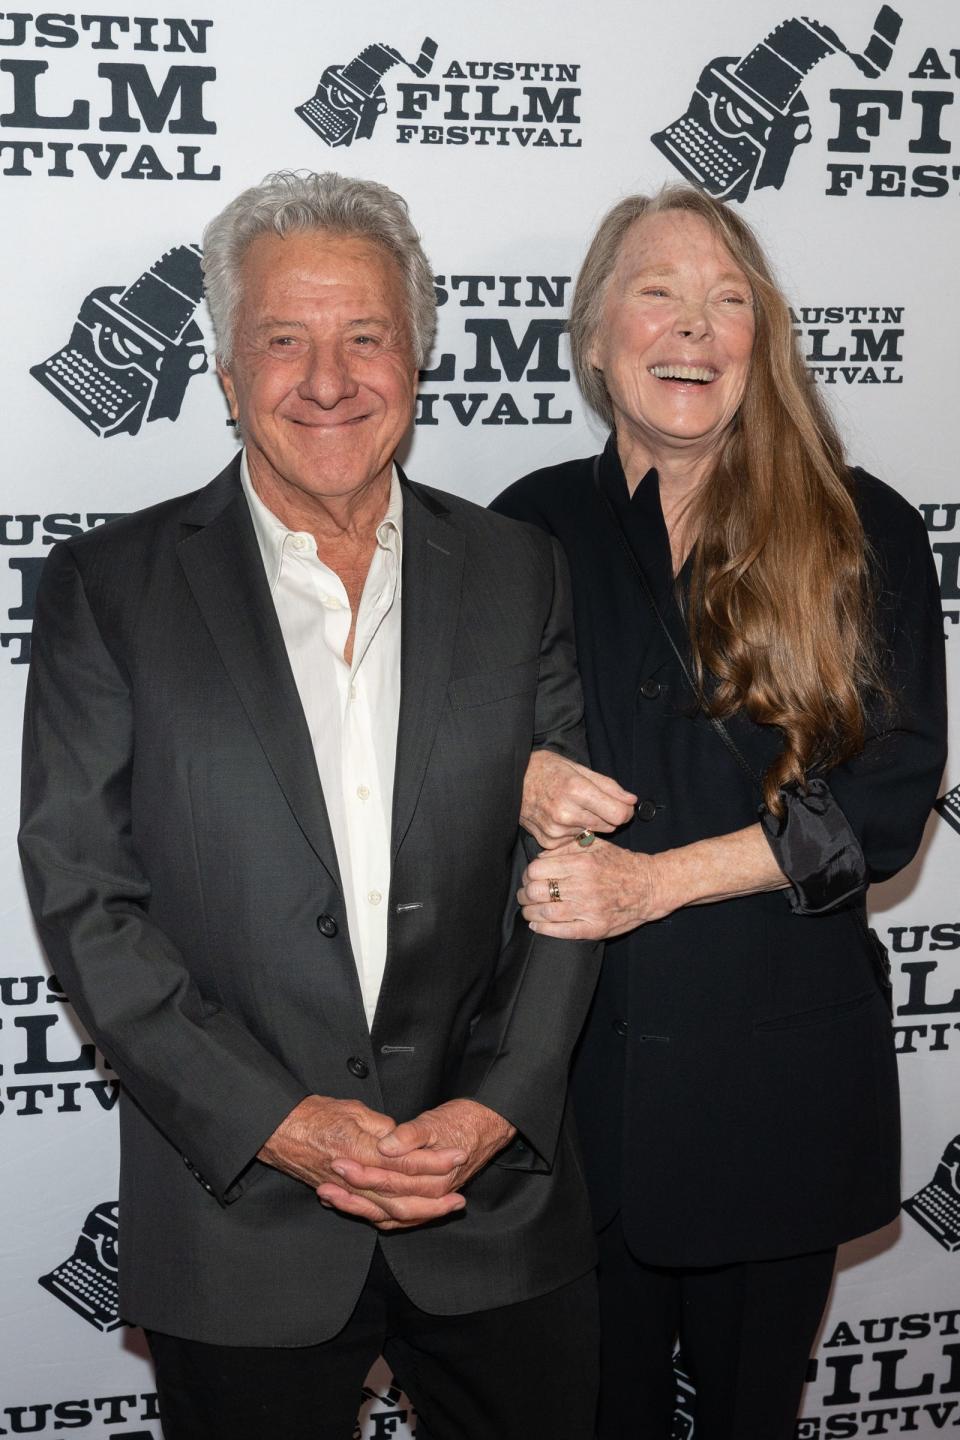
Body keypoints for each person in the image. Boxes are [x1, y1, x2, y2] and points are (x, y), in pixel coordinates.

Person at [18, 171, 602, 1440]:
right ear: (228, 373)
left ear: (419, 356)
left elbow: (572, 875)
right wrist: (276, 1124)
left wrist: (501, 1104)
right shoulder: (108, 588)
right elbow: (84, 893)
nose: (327, 379)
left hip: (491, 1200)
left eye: (366, 336)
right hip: (238, 1218)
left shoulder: (517, 572)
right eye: (284, 338)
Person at [494, 184, 947, 1439]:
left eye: (727, 299)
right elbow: (422, 760)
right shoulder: (520, 528)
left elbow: (892, 804)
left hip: (781, 1088)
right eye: (658, 293)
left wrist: (656, 881)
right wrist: (511, 774)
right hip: (567, 1088)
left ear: (763, 339)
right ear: (594, 336)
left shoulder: (865, 530)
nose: (693, 328)